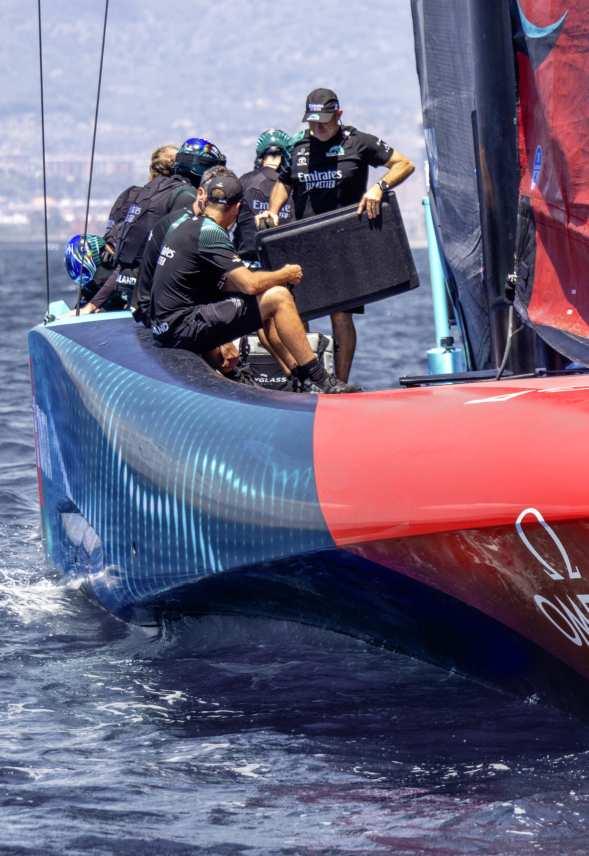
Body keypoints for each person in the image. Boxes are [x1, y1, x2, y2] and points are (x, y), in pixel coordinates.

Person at [258, 87, 415, 381]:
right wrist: (273, 210)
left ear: (338, 115)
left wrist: (379, 188)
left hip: (345, 242)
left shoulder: (358, 142)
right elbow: (283, 183)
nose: (317, 128)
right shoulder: (298, 147)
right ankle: (305, 380)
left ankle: (341, 382)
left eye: (324, 122)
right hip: (304, 242)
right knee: (296, 311)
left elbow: (404, 163)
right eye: (312, 122)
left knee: (341, 315)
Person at [150, 172, 359, 393]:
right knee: (279, 298)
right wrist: (285, 274)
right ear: (237, 208)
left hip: (165, 327)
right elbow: (249, 284)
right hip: (181, 329)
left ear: (206, 199)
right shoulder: (211, 233)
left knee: (265, 295)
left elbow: (225, 283)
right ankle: (321, 380)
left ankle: (298, 375)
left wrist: (266, 281)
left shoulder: (187, 225)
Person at [78, 139, 226, 314]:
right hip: (159, 302)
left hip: (131, 293)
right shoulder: (188, 196)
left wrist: (93, 304)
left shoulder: (147, 191)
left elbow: (130, 260)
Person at [234, 129, 294, 262]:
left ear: (261, 156)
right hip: (285, 262)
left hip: (247, 264)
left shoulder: (244, 181)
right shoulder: (294, 185)